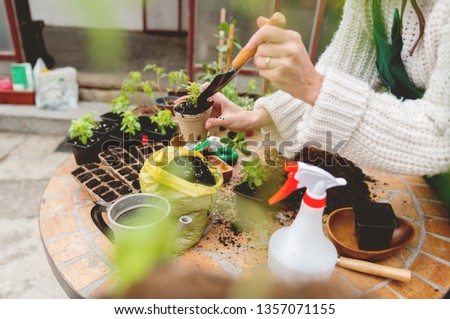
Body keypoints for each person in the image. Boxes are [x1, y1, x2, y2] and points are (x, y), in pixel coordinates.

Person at [203, 0, 450, 176]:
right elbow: (344, 68)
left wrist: (313, 86)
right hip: (410, 158)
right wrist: (256, 116)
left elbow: (443, 135)